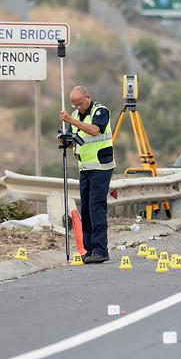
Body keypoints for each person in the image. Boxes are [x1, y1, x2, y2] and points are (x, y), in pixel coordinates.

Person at [59, 86, 115, 264]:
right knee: (86, 210)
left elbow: (94, 131)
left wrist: (70, 120)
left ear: (88, 97)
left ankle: (101, 250)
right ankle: (89, 250)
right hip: (85, 168)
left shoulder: (101, 111)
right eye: (74, 105)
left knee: (96, 207)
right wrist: (65, 140)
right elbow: (76, 139)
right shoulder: (75, 116)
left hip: (101, 166)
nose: (78, 108)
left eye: (80, 104)